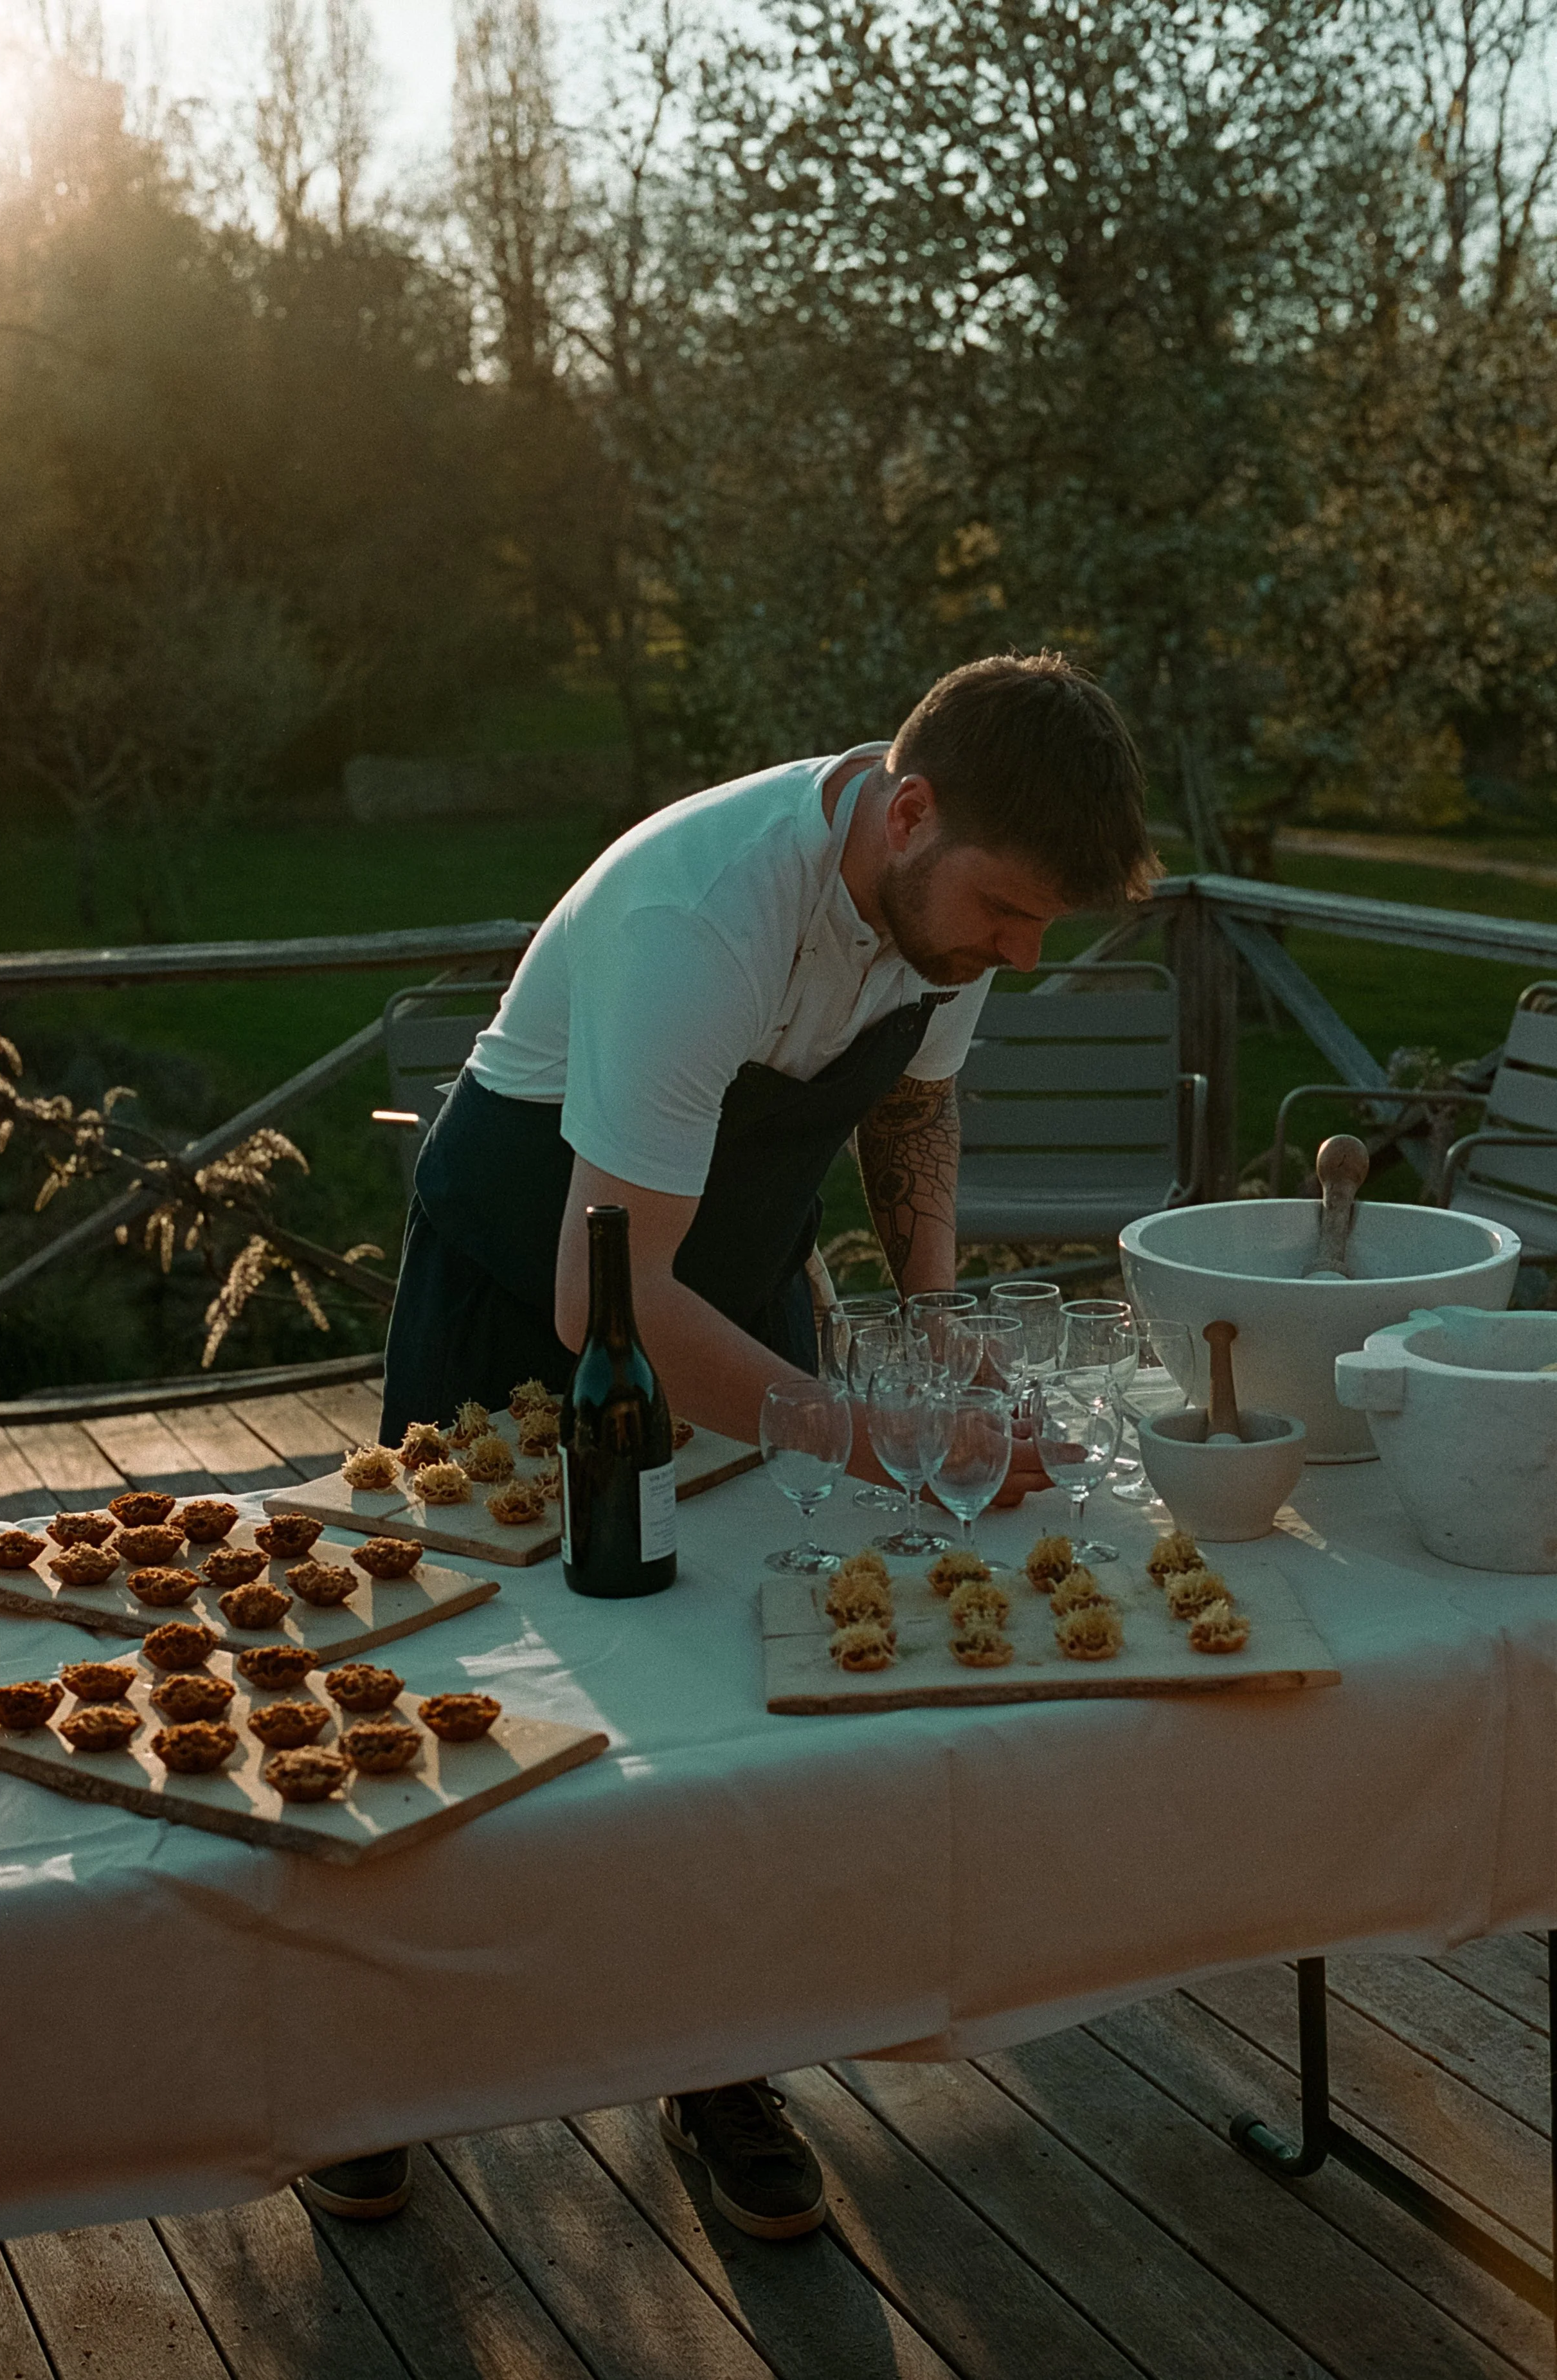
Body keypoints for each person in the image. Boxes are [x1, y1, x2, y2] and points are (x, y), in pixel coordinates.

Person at [299, 649, 1157, 2235]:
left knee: (735, 1693)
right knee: (453, 1690)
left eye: (1042, 927)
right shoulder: (698, 918)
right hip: (531, 1287)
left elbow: (910, 1106)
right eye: (1006, 915)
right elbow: (595, 1300)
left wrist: (929, 1312)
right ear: (907, 814)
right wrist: (870, 1434)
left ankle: (720, 2061)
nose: (1016, 958)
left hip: (739, 1283)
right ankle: (368, 2073)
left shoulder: (942, 911)